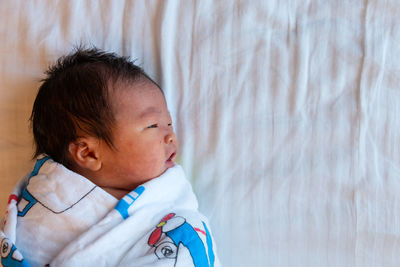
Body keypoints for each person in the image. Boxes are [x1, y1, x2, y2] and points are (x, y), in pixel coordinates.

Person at [0, 48, 219, 267]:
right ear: (89, 153)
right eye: (153, 125)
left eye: (169, 124)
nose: (171, 136)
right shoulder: (45, 210)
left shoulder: (169, 215)